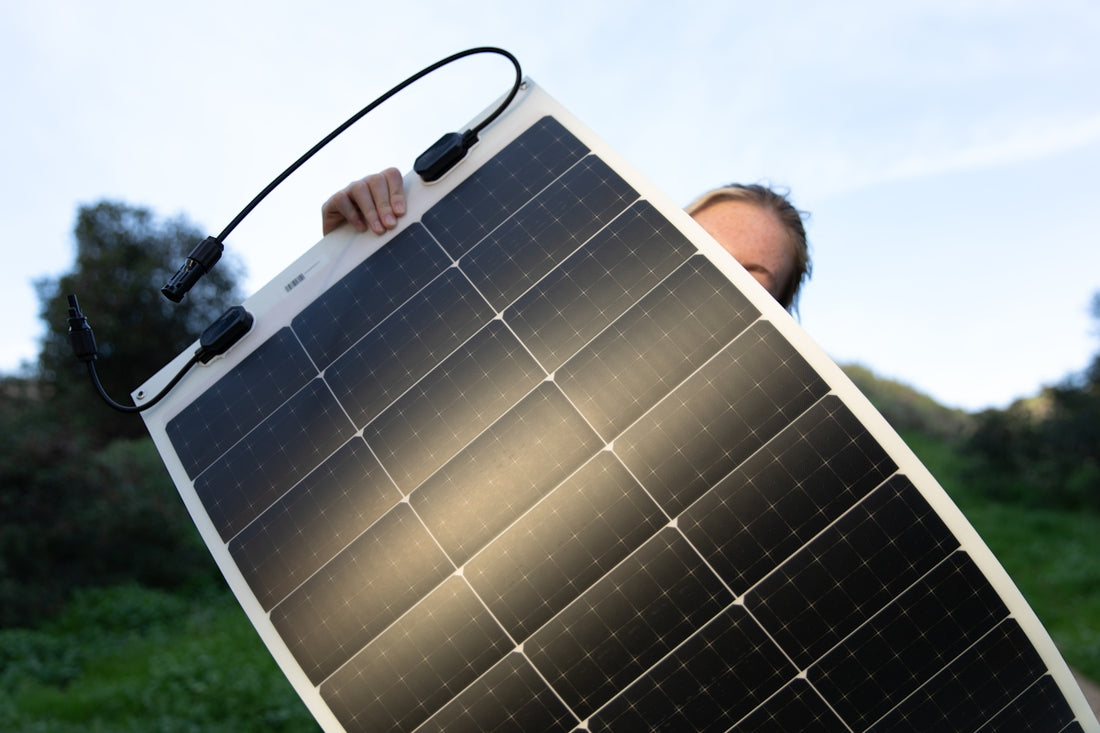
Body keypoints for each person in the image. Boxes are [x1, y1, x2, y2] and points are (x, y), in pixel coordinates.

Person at [322, 171, 811, 312]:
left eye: (748, 276)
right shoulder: (538, 315)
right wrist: (354, 258)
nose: (712, 276)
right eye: (697, 247)